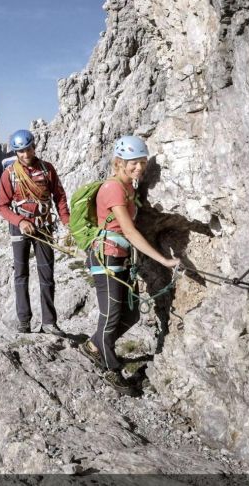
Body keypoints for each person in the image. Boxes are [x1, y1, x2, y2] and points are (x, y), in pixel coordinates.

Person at [77, 135, 180, 396]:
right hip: (106, 257)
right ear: (120, 162)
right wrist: (163, 260)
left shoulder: (130, 189)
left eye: (142, 163)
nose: (139, 168)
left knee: (131, 314)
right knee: (111, 315)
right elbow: (130, 232)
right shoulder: (113, 188)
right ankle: (111, 370)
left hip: (121, 257)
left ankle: (95, 345)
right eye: (134, 163)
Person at [0, 129, 70, 335]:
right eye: (20, 151)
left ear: (34, 147)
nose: (25, 154)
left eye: (28, 149)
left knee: (47, 274)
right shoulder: (9, 174)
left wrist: (67, 222)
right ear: (16, 153)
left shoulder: (47, 170)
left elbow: (59, 196)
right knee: (21, 274)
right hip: (20, 228)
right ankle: (24, 322)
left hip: (44, 226)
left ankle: (49, 322)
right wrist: (19, 221)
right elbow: (2, 206)